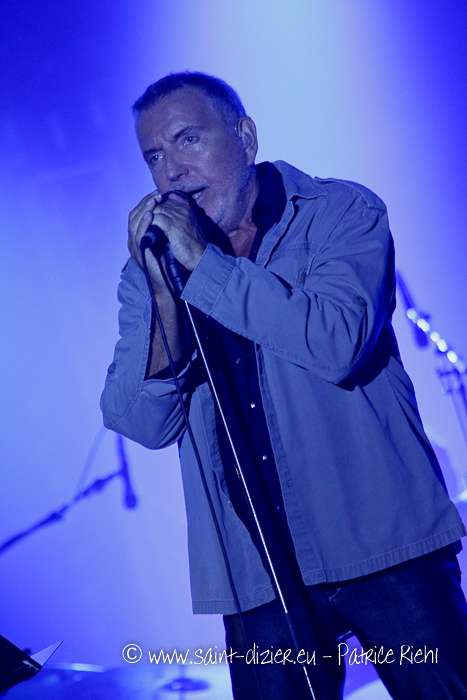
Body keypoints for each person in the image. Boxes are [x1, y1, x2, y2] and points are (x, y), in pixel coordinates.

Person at [101, 72, 467, 699]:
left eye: (188, 140)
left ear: (245, 137)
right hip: (257, 573)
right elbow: (139, 420)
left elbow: (337, 341)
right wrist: (163, 287)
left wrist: (206, 266)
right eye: (154, 157)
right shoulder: (152, 270)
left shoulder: (339, 212)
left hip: (384, 547)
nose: (172, 172)